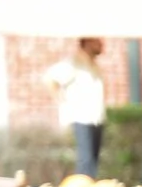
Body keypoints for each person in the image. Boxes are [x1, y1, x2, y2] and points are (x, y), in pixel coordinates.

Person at [43, 36, 109, 177]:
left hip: (96, 119)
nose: (101, 44)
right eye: (97, 41)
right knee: (86, 162)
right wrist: (61, 100)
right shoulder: (74, 63)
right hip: (82, 118)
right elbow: (50, 78)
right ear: (88, 42)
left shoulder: (93, 65)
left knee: (93, 161)